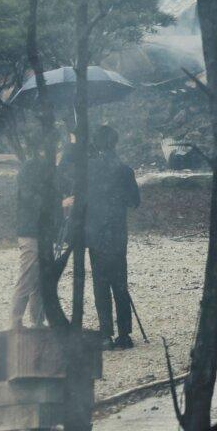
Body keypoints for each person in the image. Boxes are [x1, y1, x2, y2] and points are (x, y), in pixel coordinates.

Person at [85, 125, 140, 349]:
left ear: (97, 144)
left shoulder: (88, 169)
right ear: (115, 143)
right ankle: (124, 334)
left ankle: (105, 334)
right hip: (117, 233)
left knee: (100, 283)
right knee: (120, 283)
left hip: (96, 232)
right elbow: (134, 202)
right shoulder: (124, 170)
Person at [10, 154, 59, 328]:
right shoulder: (30, 169)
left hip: (41, 232)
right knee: (28, 276)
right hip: (30, 232)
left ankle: (37, 320)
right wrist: (60, 202)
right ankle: (15, 321)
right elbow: (33, 200)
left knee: (40, 278)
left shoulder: (41, 167)